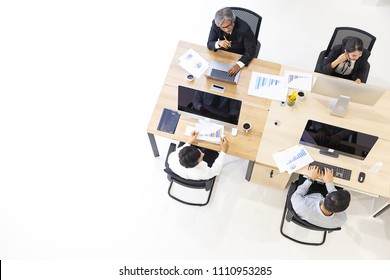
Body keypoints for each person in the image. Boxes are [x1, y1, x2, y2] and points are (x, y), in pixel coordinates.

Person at [207, 7, 257, 76]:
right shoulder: (216, 24)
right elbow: (210, 43)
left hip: (239, 55)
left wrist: (239, 65)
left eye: (229, 26)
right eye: (223, 28)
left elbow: (251, 51)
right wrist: (218, 43)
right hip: (223, 56)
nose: (227, 30)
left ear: (233, 20)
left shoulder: (245, 28)